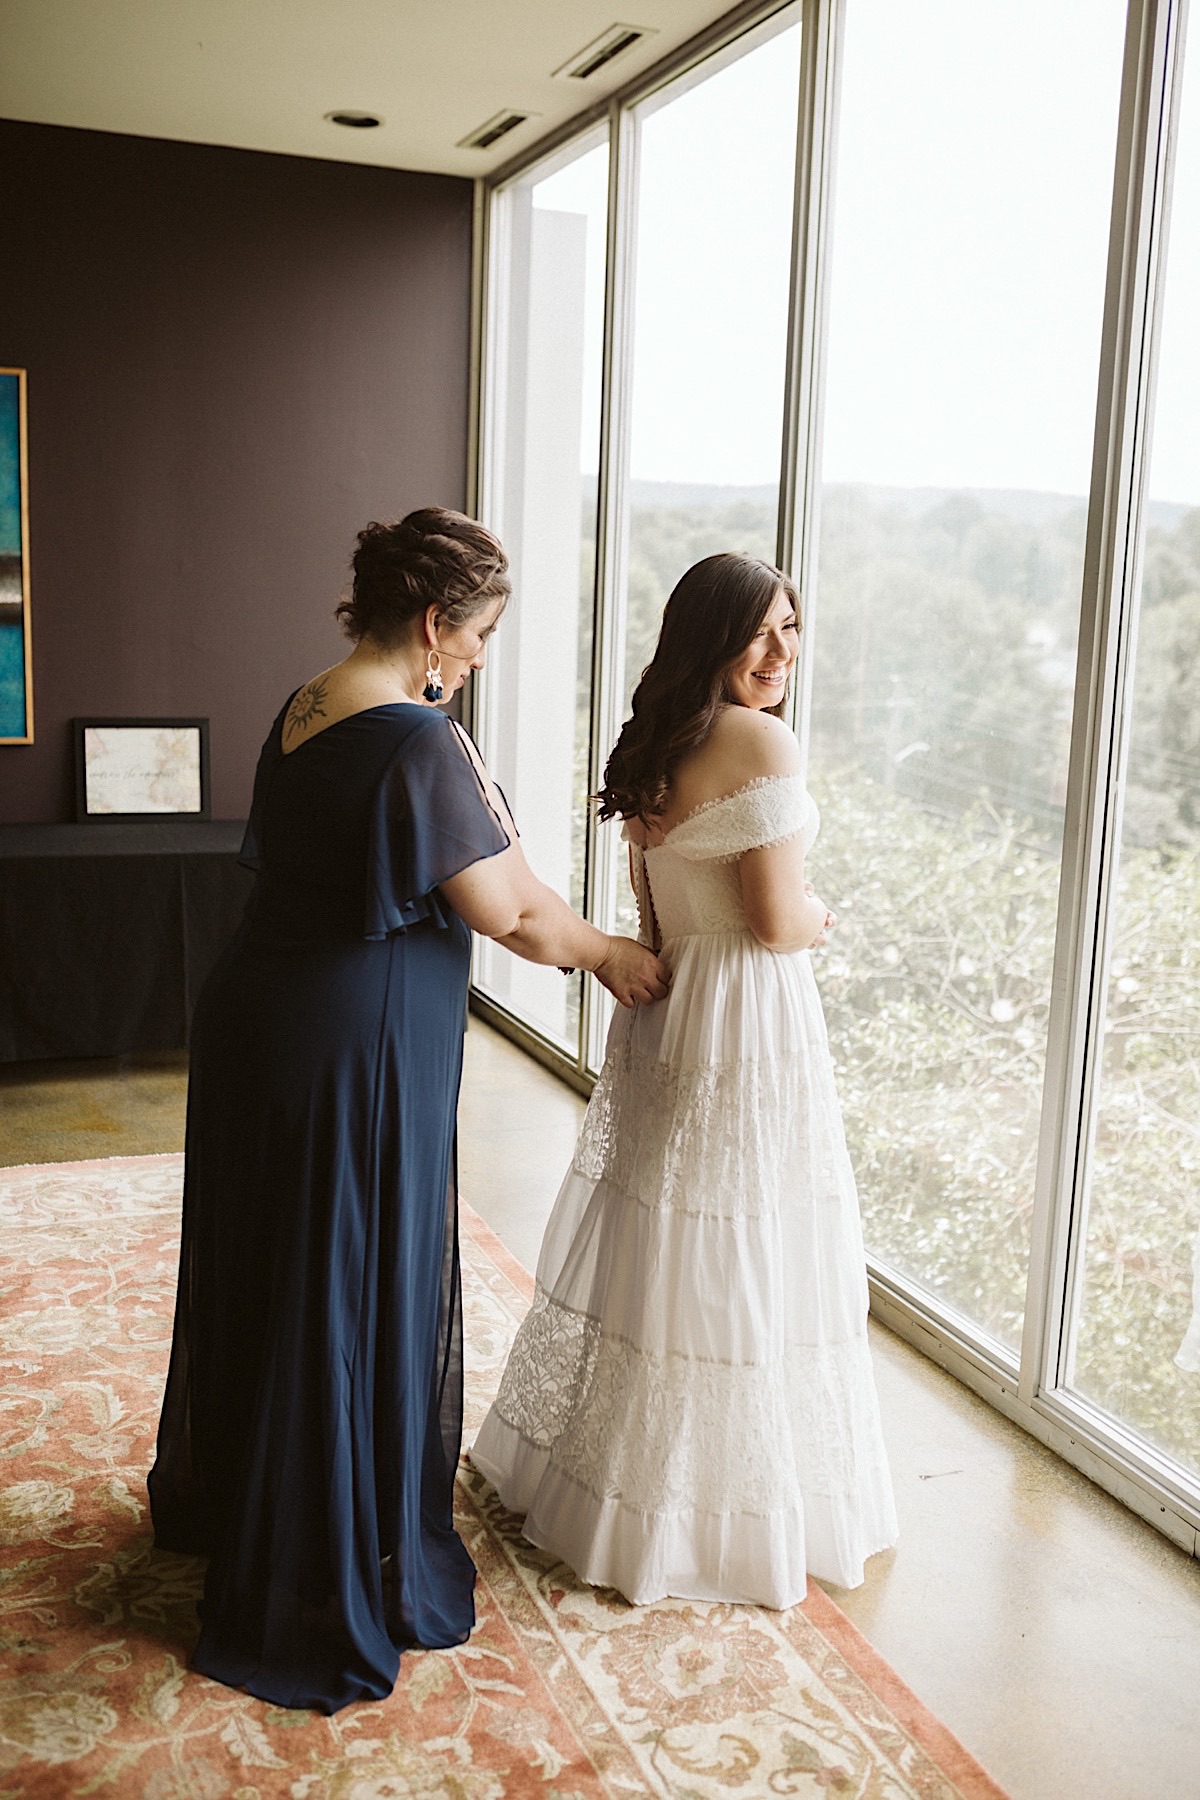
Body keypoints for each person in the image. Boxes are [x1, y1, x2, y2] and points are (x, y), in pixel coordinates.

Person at [148, 507, 668, 1713]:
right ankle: (324, 1557)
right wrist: (611, 957)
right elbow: (518, 917)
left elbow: (482, 865)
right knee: (340, 1273)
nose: (483, 655)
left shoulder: (307, 702)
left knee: (280, 1264)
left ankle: (252, 1504)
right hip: (349, 1045)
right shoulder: (416, 742)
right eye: (481, 634)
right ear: (437, 623)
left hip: (263, 1024)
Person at [472, 551, 898, 1608]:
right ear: (708, 640)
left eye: (791, 630)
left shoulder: (659, 748)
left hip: (668, 1016)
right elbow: (774, 919)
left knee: (671, 1233)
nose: (779, 654)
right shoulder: (760, 741)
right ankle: (729, 1513)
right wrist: (828, 918)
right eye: (758, 633)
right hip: (749, 1016)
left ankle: (627, 1489)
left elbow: (658, 925)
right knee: (752, 1230)